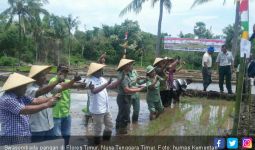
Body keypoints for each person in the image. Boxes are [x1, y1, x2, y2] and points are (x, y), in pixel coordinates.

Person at [26, 65, 83, 142]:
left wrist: (74, 80)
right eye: (42, 75)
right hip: (37, 129)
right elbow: (40, 92)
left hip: (49, 127)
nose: (45, 77)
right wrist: (57, 81)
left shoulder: (47, 87)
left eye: (45, 75)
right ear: (35, 77)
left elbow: (64, 86)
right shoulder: (29, 89)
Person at [0, 73, 60, 145]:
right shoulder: (7, 99)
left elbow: (35, 101)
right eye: (24, 86)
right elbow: (25, 110)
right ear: (16, 87)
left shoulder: (20, 96)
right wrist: (47, 104)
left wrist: (52, 98)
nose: (26, 88)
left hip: (23, 135)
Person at [87, 62, 122, 145]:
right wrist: (107, 83)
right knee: (98, 130)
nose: (102, 71)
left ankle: (106, 142)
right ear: (95, 71)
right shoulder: (89, 81)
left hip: (106, 108)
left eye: (102, 70)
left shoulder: (102, 79)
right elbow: (94, 91)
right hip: (97, 110)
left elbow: (109, 86)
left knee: (109, 126)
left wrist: (119, 81)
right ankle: (97, 145)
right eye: (100, 70)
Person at [49, 65, 84, 146]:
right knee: (57, 138)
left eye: (66, 72)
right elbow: (64, 85)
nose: (64, 73)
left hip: (66, 114)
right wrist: (74, 81)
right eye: (63, 71)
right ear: (58, 71)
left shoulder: (68, 81)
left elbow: (74, 85)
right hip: (55, 115)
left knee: (67, 135)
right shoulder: (53, 80)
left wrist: (81, 85)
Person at [115, 59, 144, 134]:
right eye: (129, 64)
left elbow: (130, 85)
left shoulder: (125, 74)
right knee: (125, 115)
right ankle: (122, 133)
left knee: (122, 113)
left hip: (124, 97)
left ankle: (118, 128)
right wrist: (139, 89)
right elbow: (127, 90)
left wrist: (139, 87)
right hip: (124, 97)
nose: (131, 66)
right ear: (125, 66)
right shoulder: (123, 76)